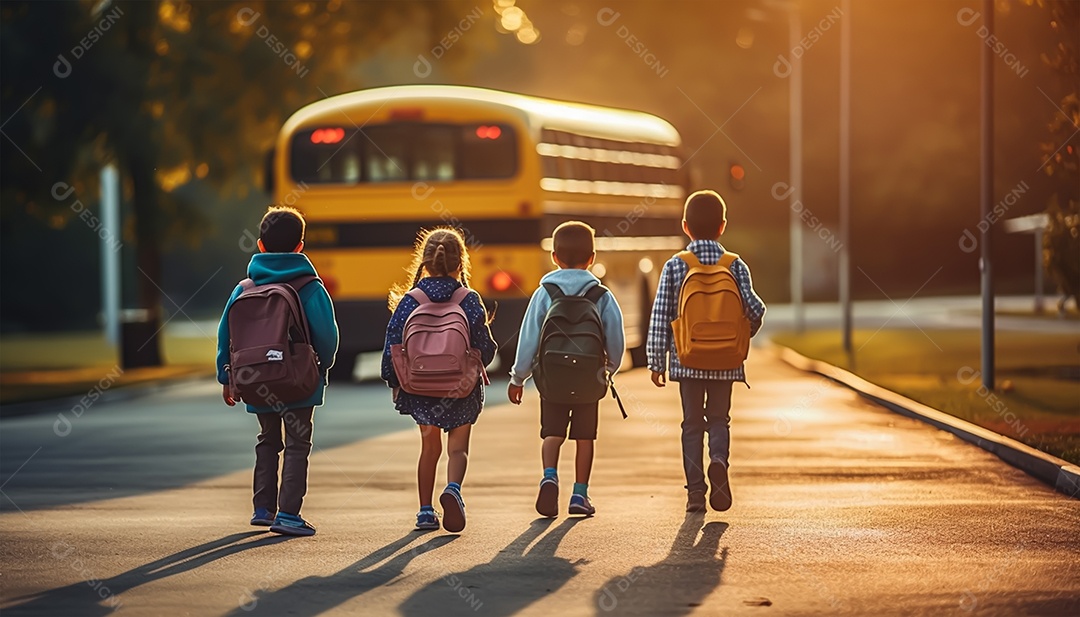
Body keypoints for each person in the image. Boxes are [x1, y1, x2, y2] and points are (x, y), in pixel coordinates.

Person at [216, 205, 339, 536]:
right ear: (300, 246)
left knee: (267, 439)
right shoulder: (309, 286)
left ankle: (263, 508)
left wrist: (227, 376)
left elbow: (225, 333)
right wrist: (320, 368)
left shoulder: (243, 288)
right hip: (297, 380)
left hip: (255, 377)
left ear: (260, 246)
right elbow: (327, 336)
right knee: (298, 443)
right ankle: (288, 514)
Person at [647, 189, 766, 513]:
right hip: (726, 360)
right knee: (718, 419)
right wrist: (741, 339)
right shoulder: (735, 265)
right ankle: (718, 460)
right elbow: (755, 309)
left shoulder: (676, 266)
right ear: (722, 225)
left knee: (691, 424)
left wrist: (657, 361)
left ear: (686, 226)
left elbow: (661, 316)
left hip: (688, 360)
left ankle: (696, 494)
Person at [382, 227, 496, 533]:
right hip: (460, 386)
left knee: (428, 448)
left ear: (424, 262)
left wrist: (394, 380)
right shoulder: (468, 298)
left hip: (420, 386)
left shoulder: (411, 300)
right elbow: (485, 346)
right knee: (457, 449)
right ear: (461, 263)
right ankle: (454, 490)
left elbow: (392, 342)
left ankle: (424, 511)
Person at [508, 221, 625, 517]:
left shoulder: (545, 292)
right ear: (592, 258)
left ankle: (549, 476)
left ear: (554, 257)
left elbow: (529, 337)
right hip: (588, 378)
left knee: (552, 433)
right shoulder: (602, 296)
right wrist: (608, 368)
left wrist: (518, 377)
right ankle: (579, 495)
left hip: (553, 378)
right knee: (585, 437)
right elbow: (616, 339)